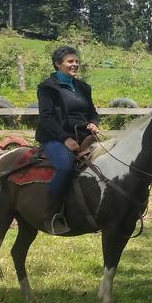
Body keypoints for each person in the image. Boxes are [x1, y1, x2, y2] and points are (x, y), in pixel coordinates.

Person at [35, 45, 100, 235]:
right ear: (57, 64)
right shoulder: (47, 88)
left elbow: (92, 112)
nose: (75, 64)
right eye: (70, 61)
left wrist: (94, 123)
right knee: (65, 166)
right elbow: (46, 118)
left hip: (84, 137)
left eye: (77, 61)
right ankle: (51, 215)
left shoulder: (83, 87)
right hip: (55, 138)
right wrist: (65, 139)